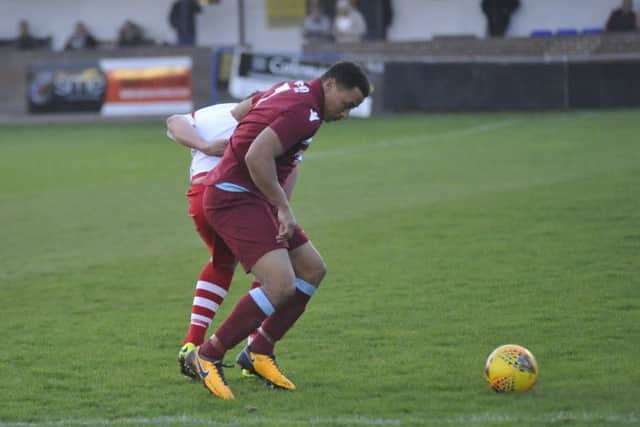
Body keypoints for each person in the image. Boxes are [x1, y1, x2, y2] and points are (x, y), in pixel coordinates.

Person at [183, 61, 371, 400]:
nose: (346, 114)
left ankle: (258, 351)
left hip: (251, 196)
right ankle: (207, 354)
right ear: (330, 85)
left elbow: (243, 111)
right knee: (280, 284)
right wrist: (283, 206)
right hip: (234, 197)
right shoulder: (305, 110)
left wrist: (250, 135)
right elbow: (257, 156)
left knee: (312, 270)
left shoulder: (295, 90)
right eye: (348, 104)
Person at [165, 99, 300, 380]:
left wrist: (202, 146)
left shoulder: (215, 113)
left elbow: (174, 121)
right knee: (271, 266)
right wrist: (280, 207)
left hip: (202, 199)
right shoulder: (276, 124)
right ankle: (252, 350)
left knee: (222, 262)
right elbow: (174, 121)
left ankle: (192, 343)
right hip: (228, 197)